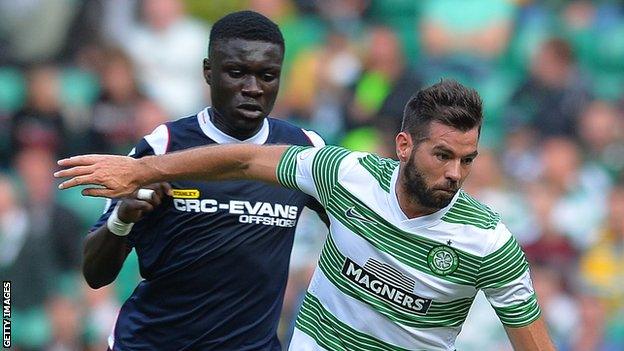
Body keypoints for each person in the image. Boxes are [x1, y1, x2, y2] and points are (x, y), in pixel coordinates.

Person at [56, 79, 555, 350]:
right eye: (442, 155)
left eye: (468, 160)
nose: (455, 173)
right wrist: (141, 171)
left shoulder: (488, 243)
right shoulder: (345, 176)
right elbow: (248, 158)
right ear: (404, 145)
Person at [75, 11, 327, 350]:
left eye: (267, 76)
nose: (252, 89)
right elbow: (95, 275)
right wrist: (122, 217)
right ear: (209, 72)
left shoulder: (304, 151)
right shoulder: (164, 145)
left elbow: (360, 229)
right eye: (237, 73)